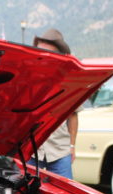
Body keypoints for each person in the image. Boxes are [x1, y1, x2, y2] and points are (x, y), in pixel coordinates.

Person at [29, 28, 81, 179]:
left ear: (58, 55)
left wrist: (72, 146)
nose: (43, 56)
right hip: (30, 150)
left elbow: (73, 116)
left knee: (63, 191)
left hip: (60, 150)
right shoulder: (28, 78)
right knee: (26, 191)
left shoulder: (68, 80)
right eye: (40, 51)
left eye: (48, 52)